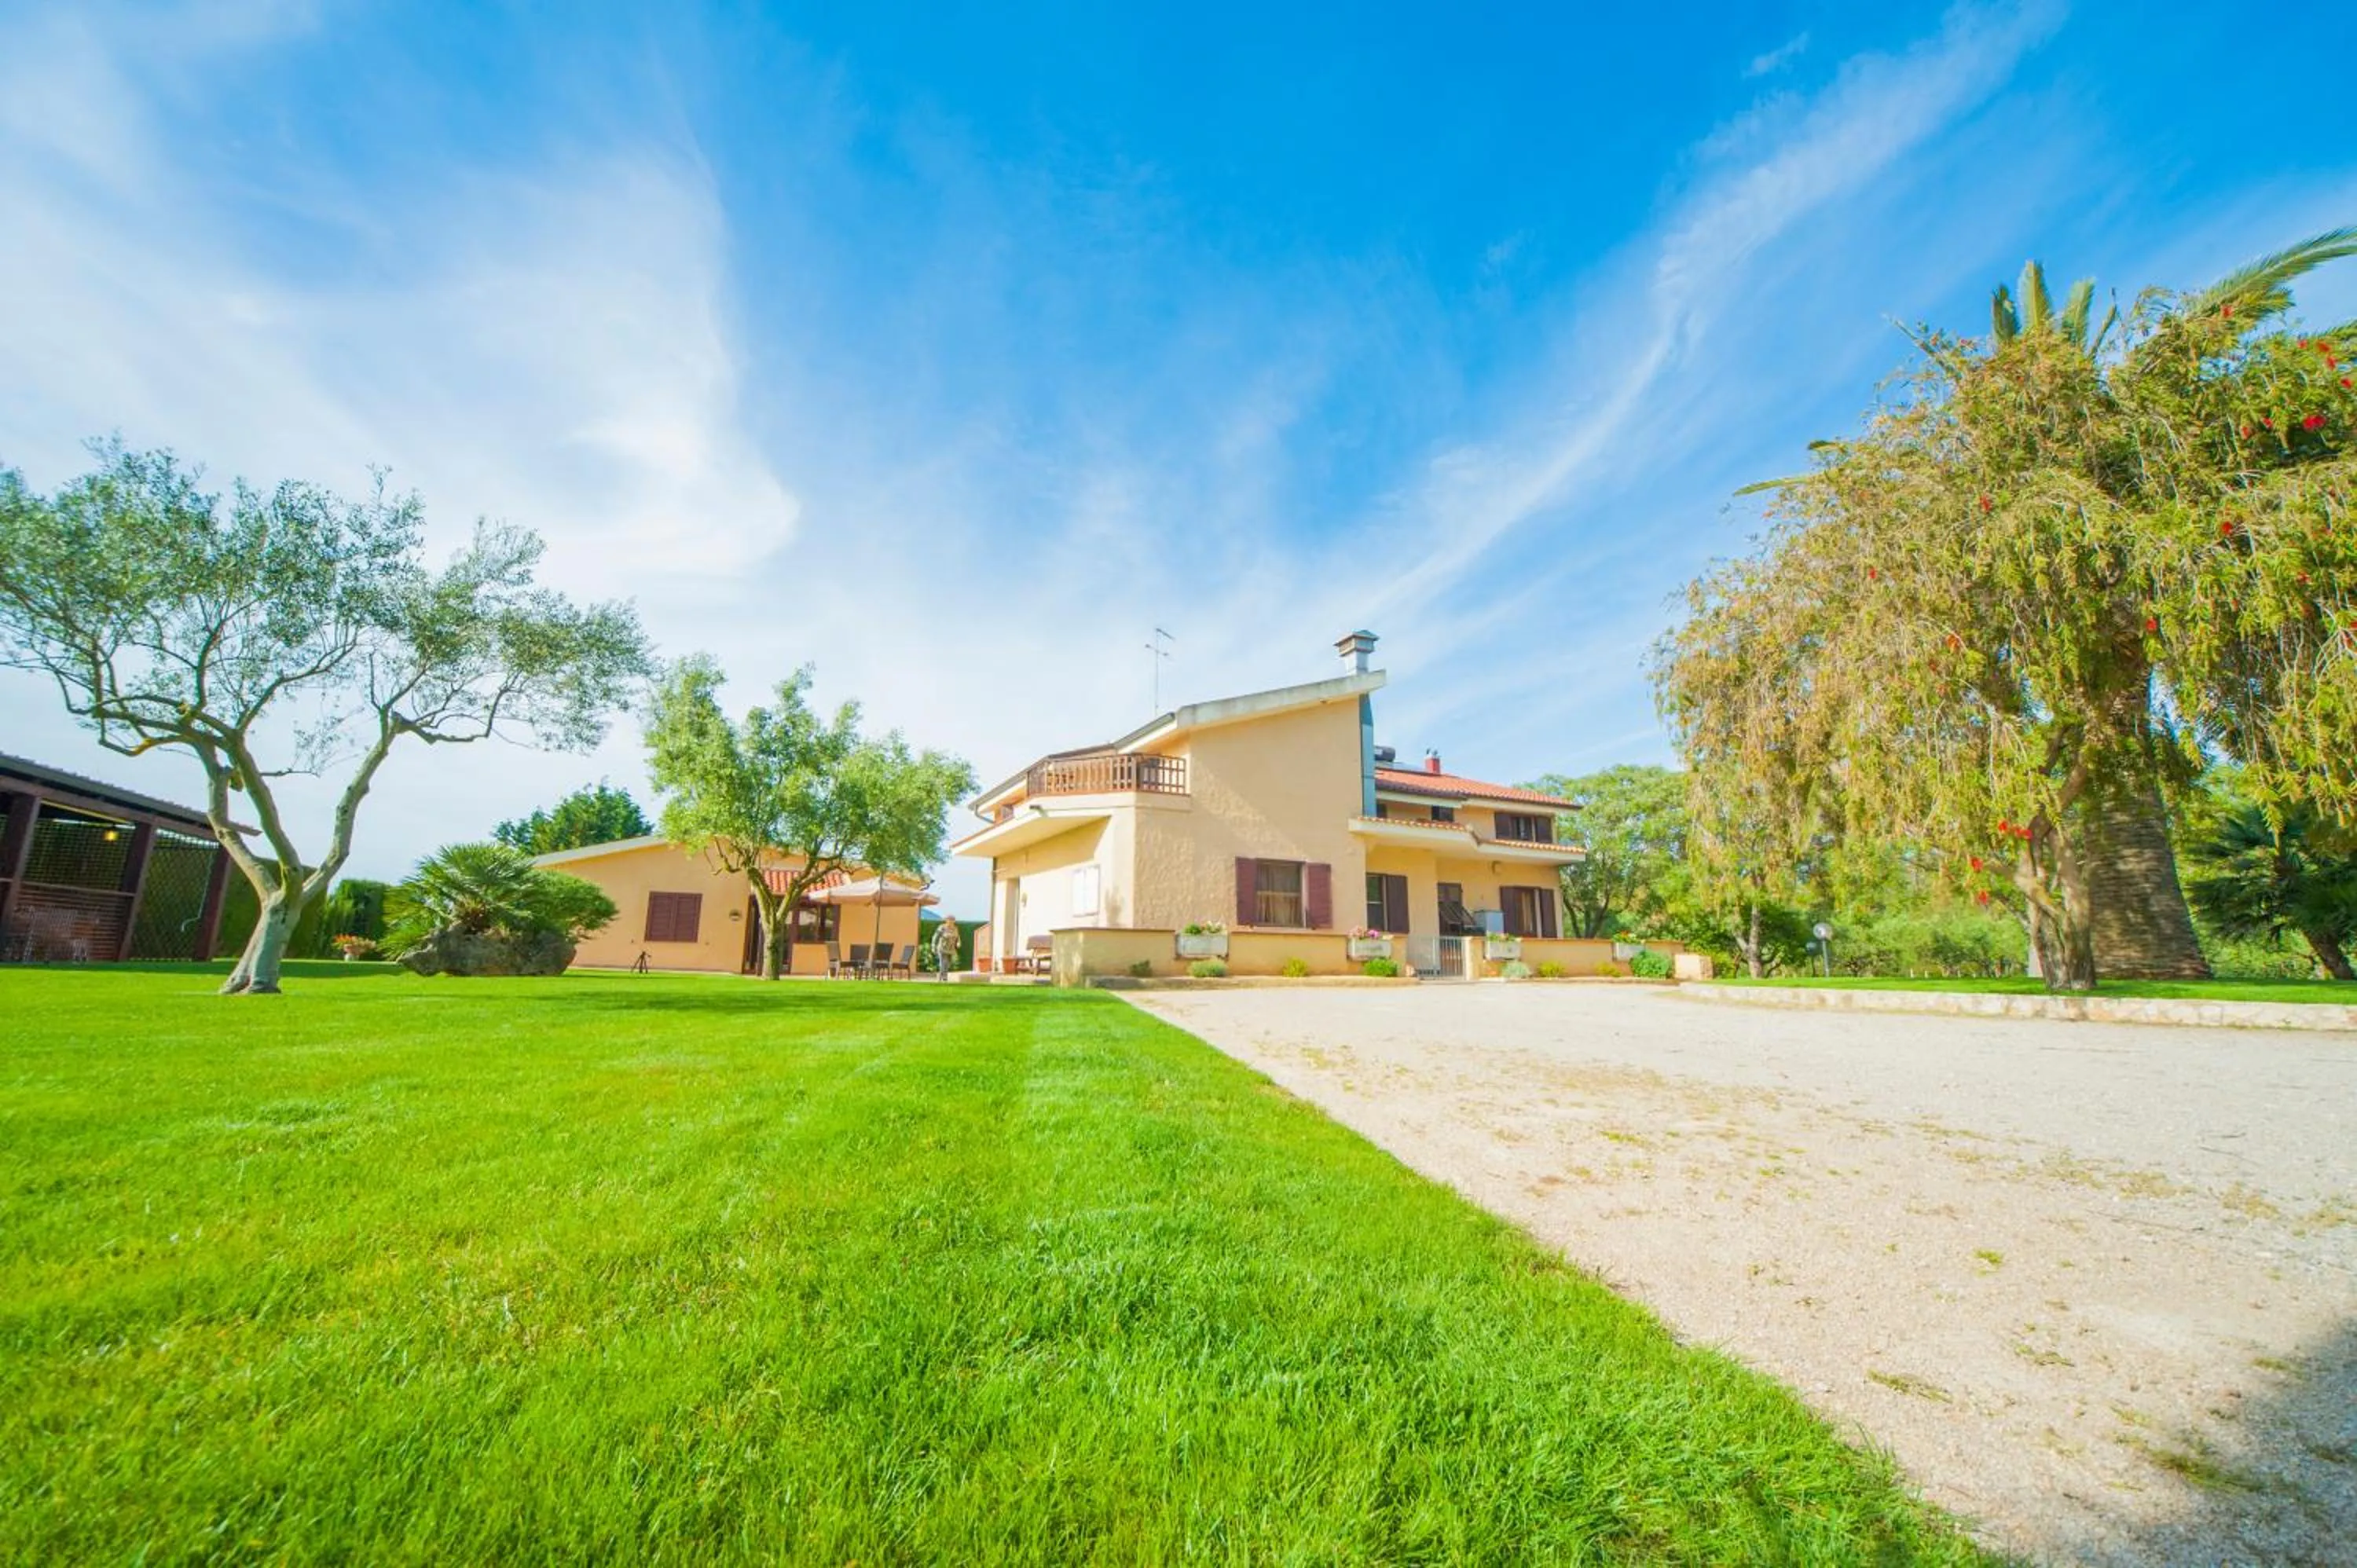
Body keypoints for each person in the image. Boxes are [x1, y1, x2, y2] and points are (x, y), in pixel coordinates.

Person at [930, 916, 960, 981]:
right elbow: (935, 936)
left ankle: (941, 976)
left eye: (952, 920)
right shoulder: (942, 927)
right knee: (944, 962)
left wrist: (958, 942)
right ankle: (944, 977)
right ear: (946, 920)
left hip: (951, 949)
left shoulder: (955, 928)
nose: (951, 921)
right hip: (942, 947)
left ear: (954, 921)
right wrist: (933, 946)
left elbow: (958, 937)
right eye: (949, 920)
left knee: (948, 963)